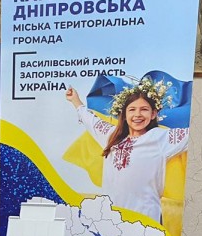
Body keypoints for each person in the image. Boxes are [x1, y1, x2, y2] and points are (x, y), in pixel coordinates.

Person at [65, 81, 189, 224]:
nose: (137, 114)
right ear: (124, 114)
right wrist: (75, 101)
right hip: (112, 219)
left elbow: (193, 135)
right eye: (132, 110)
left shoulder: (161, 138)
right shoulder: (111, 135)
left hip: (146, 221)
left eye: (144, 109)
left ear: (153, 113)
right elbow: (91, 121)